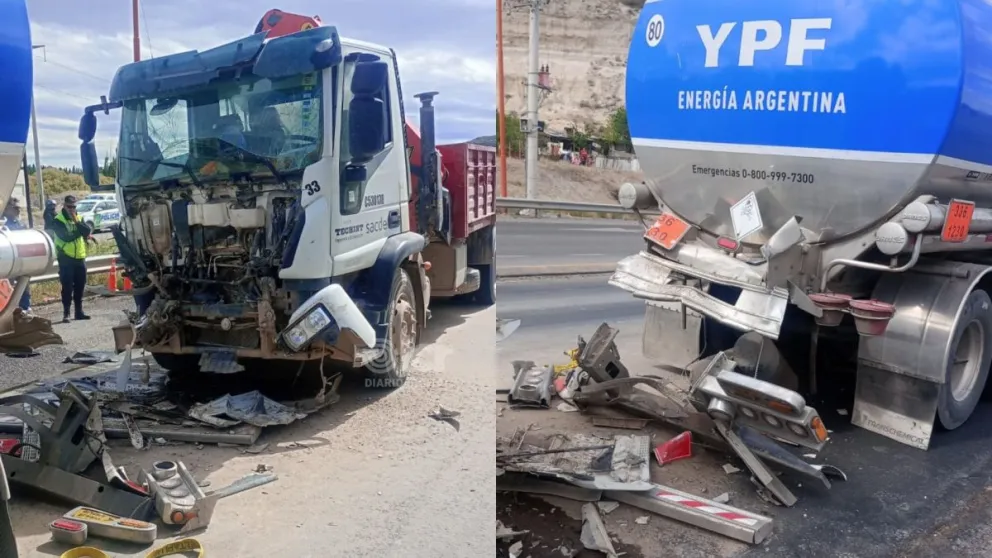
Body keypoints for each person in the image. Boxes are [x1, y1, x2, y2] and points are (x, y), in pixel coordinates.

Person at [50, 195, 93, 323]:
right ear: (64, 206)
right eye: (69, 207)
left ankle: (79, 312)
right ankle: (66, 313)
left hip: (80, 257)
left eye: (74, 207)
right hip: (65, 257)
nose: (72, 209)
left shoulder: (79, 217)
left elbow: (87, 231)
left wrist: (77, 223)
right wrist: (80, 231)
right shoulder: (58, 220)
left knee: (80, 286)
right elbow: (66, 237)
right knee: (67, 286)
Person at [1, 198, 31, 312]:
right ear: (7, 208)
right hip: (7, 261)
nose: (17, 211)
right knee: (8, 287)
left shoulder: (21, 223)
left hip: (21, 260)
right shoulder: (2, 224)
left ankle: (25, 307)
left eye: (18, 208)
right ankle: (8, 309)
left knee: (24, 284)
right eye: (15, 208)